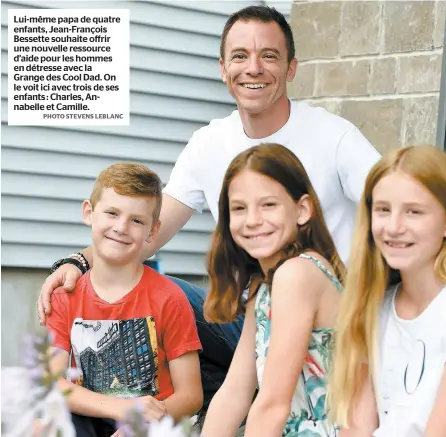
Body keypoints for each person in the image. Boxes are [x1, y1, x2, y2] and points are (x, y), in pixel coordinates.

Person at [37, 5, 380, 418]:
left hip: (325, 323)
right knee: (166, 293)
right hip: (253, 318)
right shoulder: (209, 143)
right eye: (239, 56)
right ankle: (121, 411)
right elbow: (145, 235)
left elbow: (393, 206)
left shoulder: (334, 136)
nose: (253, 68)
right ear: (223, 68)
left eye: (268, 56)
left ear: (291, 68)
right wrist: (77, 262)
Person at [328, 146, 446, 437]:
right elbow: (357, 427)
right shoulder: (375, 307)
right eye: (383, 210)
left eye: (413, 212)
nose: (393, 227)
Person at [45, 163, 203, 437]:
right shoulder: (65, 297)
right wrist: (122, 409)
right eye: (112, 213)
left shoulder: (170, 298)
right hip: (92, 415)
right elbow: (53, 382)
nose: (121, 227)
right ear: (88, 213)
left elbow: (190, 395)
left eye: (137, 220)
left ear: (153, 231)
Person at [200, 143, 343, 437]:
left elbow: (273, 404)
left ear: (302, 210)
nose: (252, 220)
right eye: (239, 208)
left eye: (268, 205)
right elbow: (235, 391)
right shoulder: (264, 284)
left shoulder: (298, 274)